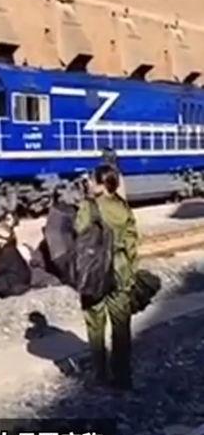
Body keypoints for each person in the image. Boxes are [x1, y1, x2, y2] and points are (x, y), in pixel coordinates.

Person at [75, 165, 138, 391]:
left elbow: (78, 230)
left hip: (95, 272)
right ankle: (122, 377)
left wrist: (85, 201)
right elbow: (132, 243)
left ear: (102, 185)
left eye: (93, 180)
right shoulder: (123, 207)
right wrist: (130, 271)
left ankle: (100, 375)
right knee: (121, 326)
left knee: (95, 323)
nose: (90, 183)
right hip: (120, 270)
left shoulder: (89, 206)